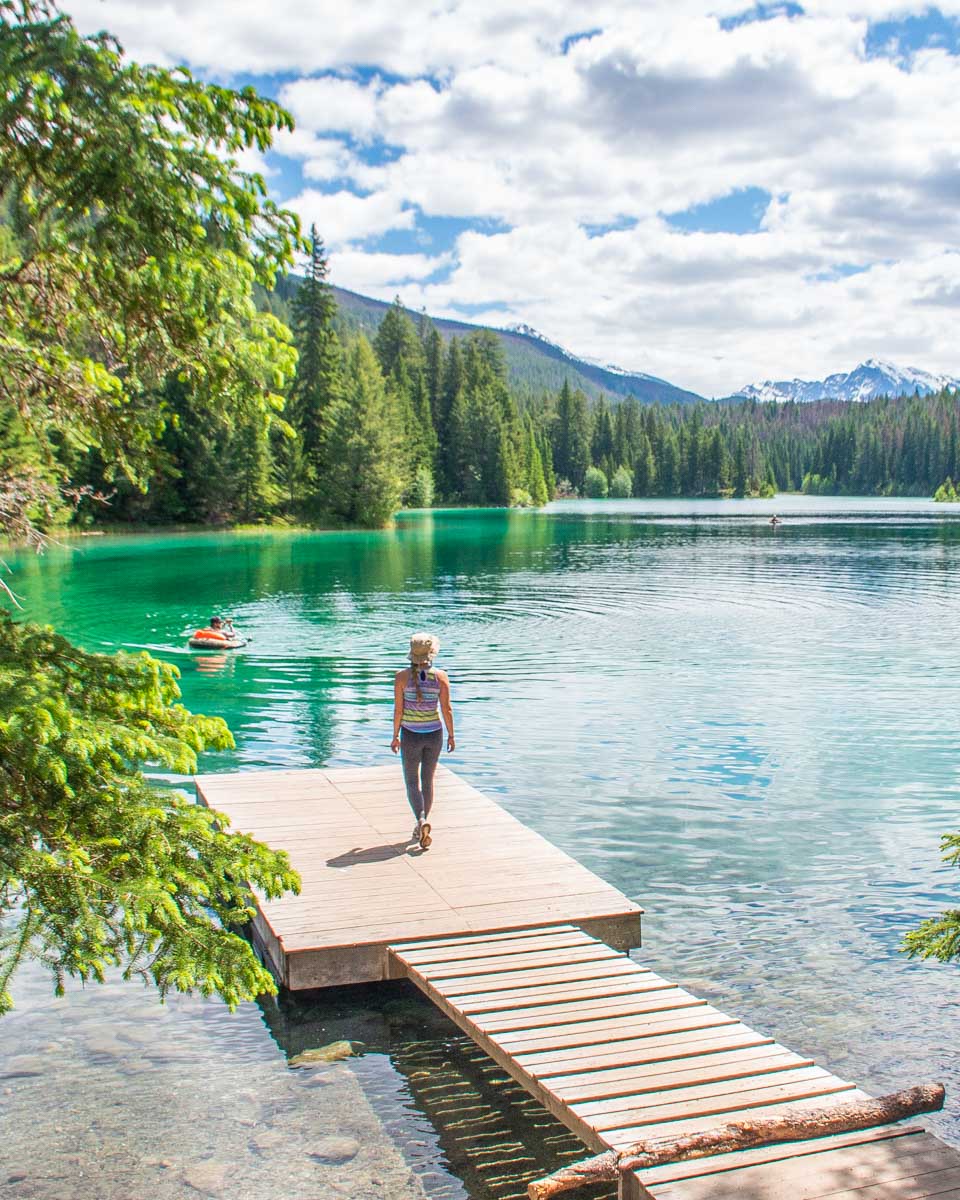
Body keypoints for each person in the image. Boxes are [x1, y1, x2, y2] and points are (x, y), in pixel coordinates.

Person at [391, 632, 455, 850]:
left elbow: (398, 710)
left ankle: (421, 821)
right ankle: (423, 823)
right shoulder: (441, 676)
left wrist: (394, 736)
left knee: (411, 782)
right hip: (434, 734)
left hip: (410, 735)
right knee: (428, 782)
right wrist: (452, 735)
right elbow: (446, 709)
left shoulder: (400, 677)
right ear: (431, 654)